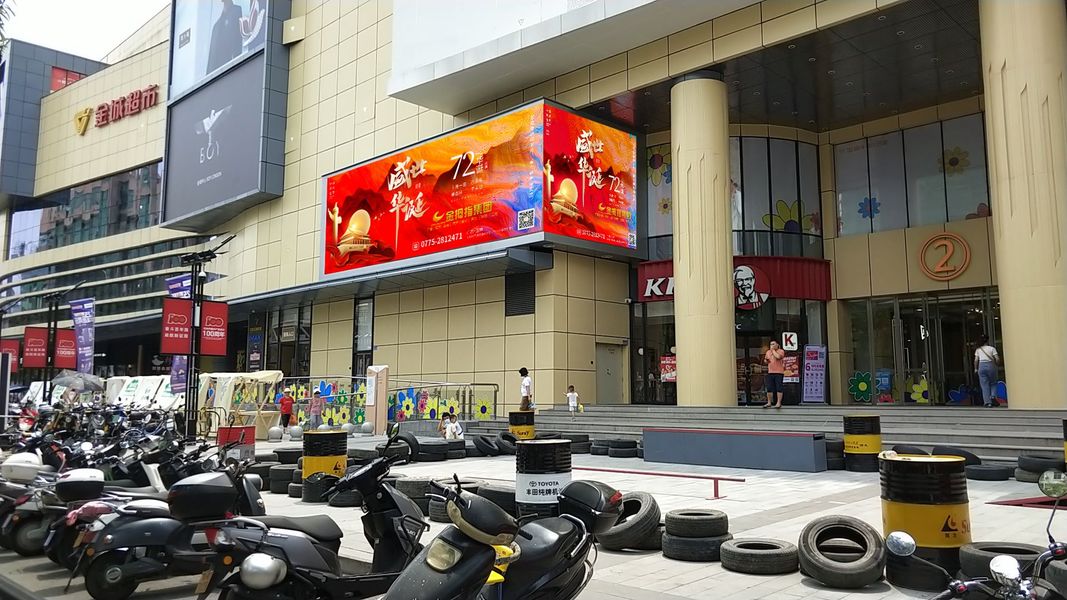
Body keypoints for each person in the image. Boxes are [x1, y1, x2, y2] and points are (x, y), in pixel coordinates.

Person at [974, 334, 1001, 407]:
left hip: (981, 366)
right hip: (991, 365)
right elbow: (997, 359)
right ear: (987, 340)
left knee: (984, 385)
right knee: (993, 383)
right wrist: (997, 364)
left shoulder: (978, 350)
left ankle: (987, 402)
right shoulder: (992, 348)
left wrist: (976, 369)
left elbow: (976, 360)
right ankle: (993, 396)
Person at [762, 340, 786, 409]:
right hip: (770, 372)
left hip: (779, 372)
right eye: (770, 344)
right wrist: (766, 360)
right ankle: (769, 402)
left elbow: (778, 357)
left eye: (773, 344)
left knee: (779, 387)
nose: (771, 345)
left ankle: (778, 402)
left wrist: (773, 351)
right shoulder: (768, 352)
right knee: (769, 388)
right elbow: (766, 360)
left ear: (777, 345)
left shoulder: (781, 351)